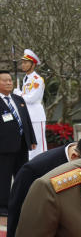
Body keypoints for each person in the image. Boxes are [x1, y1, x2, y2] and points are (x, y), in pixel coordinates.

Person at [0, 69, 37, 215]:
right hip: (4, 147)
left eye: (10, 80)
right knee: (3, 177)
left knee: (22, 175)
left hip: (21, 145)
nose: (9, 83)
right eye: (5, 80)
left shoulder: (18, 99)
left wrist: (31, 139)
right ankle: (3, 206)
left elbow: (26, 121)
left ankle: (21, 202)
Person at [15, 49, 46, 160]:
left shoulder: (37, 80)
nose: (23, 65)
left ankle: (43, 166)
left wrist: (18, 93)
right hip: (28, 115)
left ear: (33, 65)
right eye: (22, 62)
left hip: (36, 116)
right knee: (31, 146)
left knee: (39, 146)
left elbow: (31, 98)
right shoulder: (26, 79)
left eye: (25, 63)